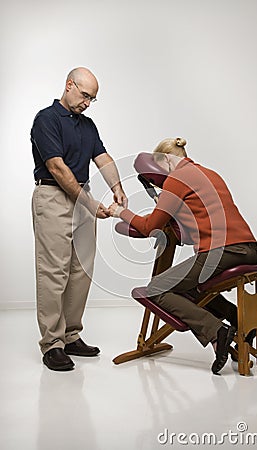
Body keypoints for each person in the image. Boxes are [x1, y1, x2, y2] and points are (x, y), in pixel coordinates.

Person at [108, 137, 257, 374]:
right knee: (188, 288)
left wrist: (121, 212)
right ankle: (238, 321)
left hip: (223, 251)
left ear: (165, 161)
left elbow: (150, 227)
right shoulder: (209, 173)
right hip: (248, 249)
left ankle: (216, 332)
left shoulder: (177, 179)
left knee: (157, 289)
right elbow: (196, 227)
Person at [31, 67, 127, 371]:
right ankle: (52, 344)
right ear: (69, 85)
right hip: (54, 197)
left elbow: (103, 158)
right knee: (54, 272)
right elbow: (57, 169)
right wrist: (88, 202)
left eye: (93, 99)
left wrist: (118, 189)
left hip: (81, 199)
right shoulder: (46, 119)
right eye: (85, 95)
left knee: (80, 270)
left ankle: (71, 336)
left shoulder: (88, 125)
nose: (88, 102)